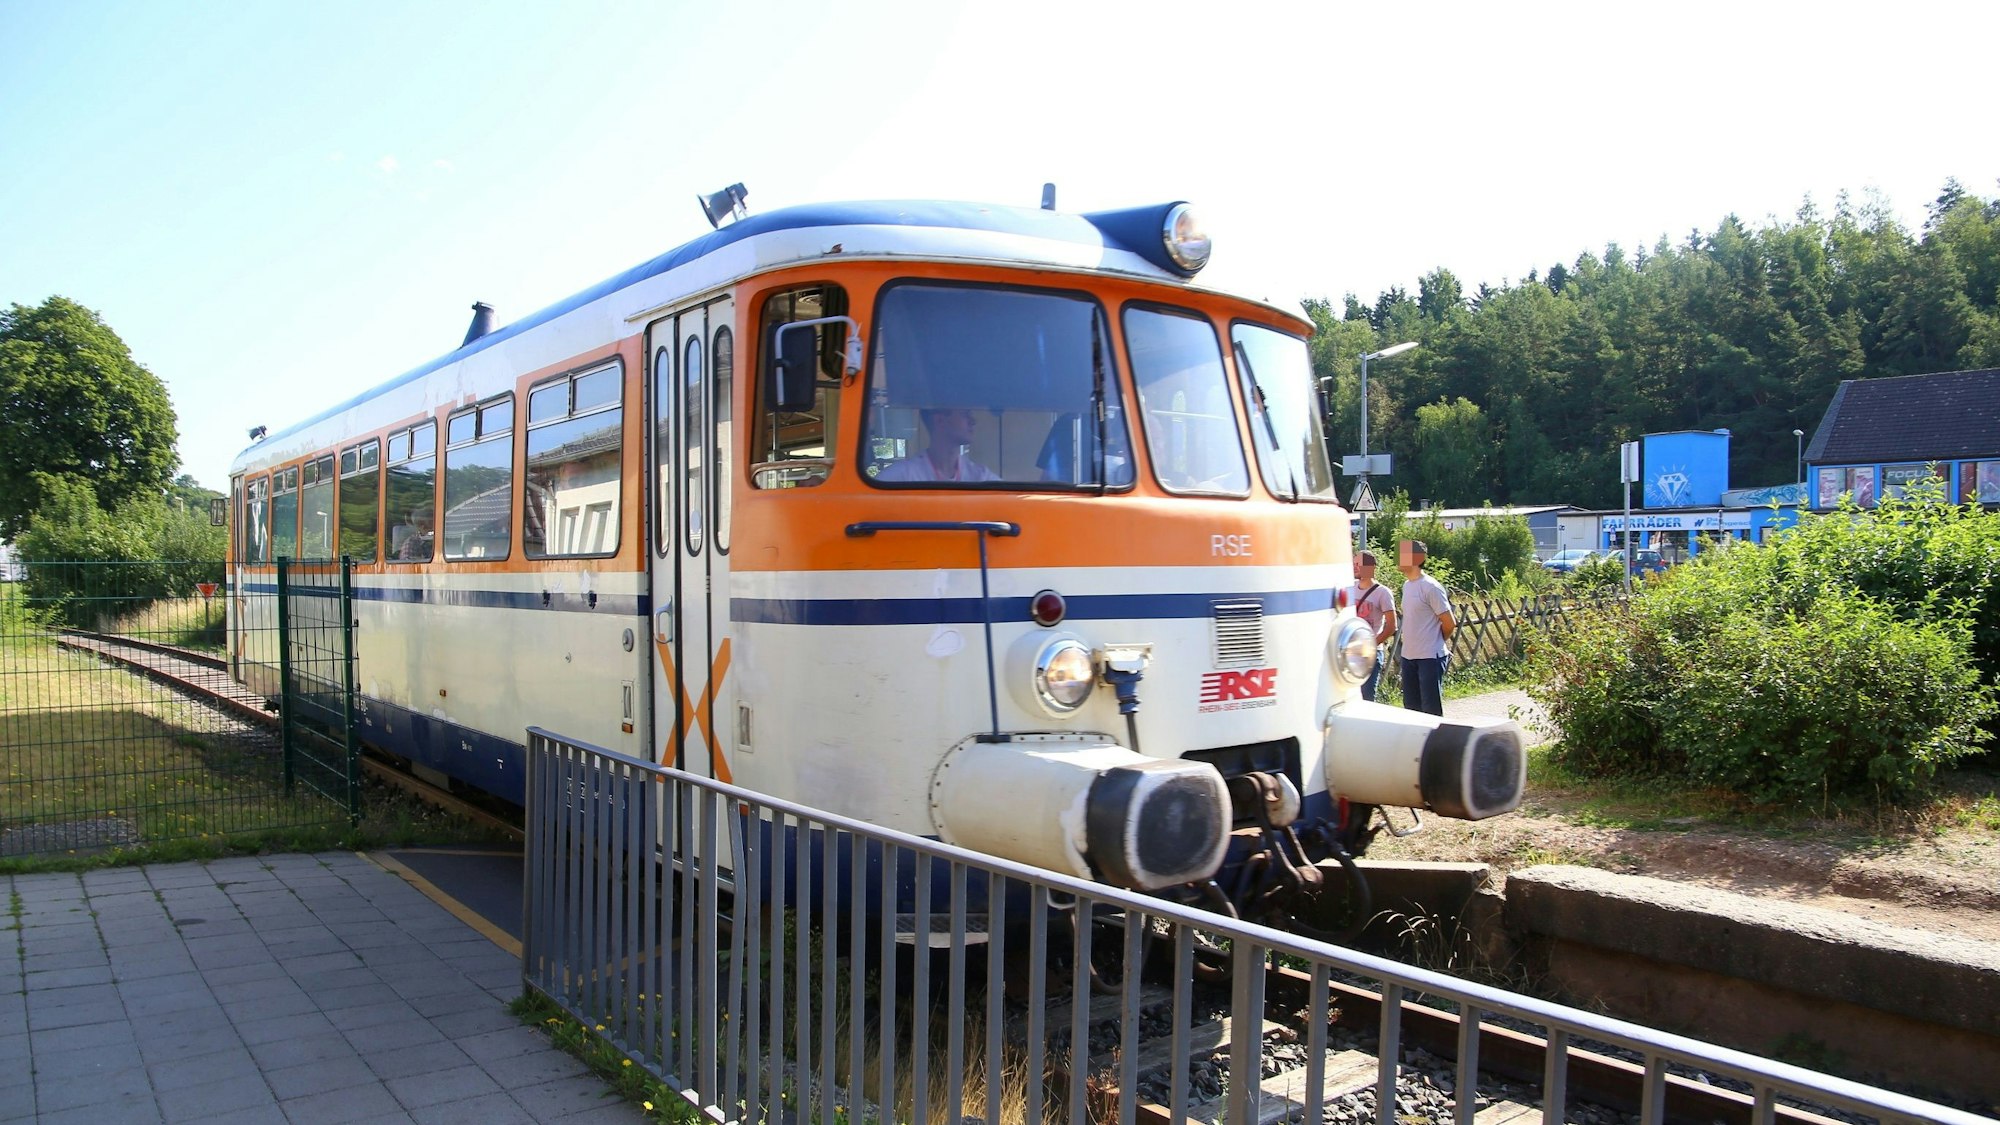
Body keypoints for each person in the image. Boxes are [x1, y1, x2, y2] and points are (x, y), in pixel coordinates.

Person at [1396, 539, 1454, 716]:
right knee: (1411, 709)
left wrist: (1434, 641)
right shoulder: (1407, 586)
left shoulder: (1431, 587)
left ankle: (1438, 743)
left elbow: (1449, 623)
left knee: (1430, 710)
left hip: (1430, 657)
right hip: (1409, 657)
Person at [878, 407, 999, 482]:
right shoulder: (903, 476)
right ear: (940, 420)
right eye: (964, 414)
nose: (973, 421)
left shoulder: (981, 477)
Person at [1343, 549, 1397, 702]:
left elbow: (1391, 625)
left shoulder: (1382, 593)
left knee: (1366, 697)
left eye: (1358, 564)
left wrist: (1372, 645)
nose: (1354, 567)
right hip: (1349, 652)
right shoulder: (1350, 587)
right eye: (1354, 564)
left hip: (1369, 653)